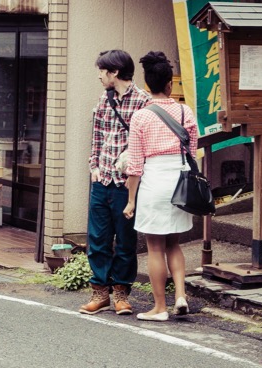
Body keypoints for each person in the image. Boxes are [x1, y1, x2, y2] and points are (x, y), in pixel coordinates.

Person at [122, 51, 199, 322]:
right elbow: (193, 150)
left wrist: (131, 200)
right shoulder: (184, 110)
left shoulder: (141, 117)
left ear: (147, 86)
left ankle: (159, 307)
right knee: (174, 244)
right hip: (180, 181)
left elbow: (134, 166)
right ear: (170, 84)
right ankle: (180, 295)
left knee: (155, 247)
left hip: (154, 182)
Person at [79, 49, 150, 316]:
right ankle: (100, 293)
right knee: (97, 238)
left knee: (126, 239)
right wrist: (93, 167)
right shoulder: (103, 100)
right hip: (102, 179)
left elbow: (143, 143)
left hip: (125, 183)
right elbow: (96, 135)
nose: (99, 76)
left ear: (115, 72)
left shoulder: (142, 102)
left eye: (102, 71)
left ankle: (121, 293)